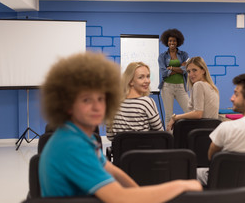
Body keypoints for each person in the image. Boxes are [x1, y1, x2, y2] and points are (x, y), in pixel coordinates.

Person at [39, 52, 202, 202]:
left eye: (101, 99)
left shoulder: (80, 136)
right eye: (86, 100)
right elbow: (121, 198)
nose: (97, 107)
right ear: (66, 104)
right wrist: (182, 185)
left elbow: (114, 171)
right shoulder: (72, 146)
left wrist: (138, 190)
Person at [106, 62, 163, 141]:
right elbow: (160, 133)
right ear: (131, 81)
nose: (147, 81)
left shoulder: (113, 103)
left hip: (121, 153)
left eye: (148, 76)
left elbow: (110, 137)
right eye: (141, 77)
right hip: (144, 152)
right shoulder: (147, 102)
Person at [166, 56, 219, 131]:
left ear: (203, 70)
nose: (191, 74)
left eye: (194, 70)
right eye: (188, 71)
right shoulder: (212, 88)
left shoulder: (198, 85)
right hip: (209, 134)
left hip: (199, 134)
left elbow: (198, 114)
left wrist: (175, 117)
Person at [158, 28, 190, 124]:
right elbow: (164, 73)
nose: (172, 43)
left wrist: (171, 67)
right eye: (170, 41)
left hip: (181, 86)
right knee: (168, 115)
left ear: (178, 42)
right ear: (167, 42)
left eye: (174, 41)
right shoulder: (162, 56)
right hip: (167, 87)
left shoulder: (184, 54)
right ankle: (169, 137)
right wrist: (179, 68)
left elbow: (186, 70)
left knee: (189, 111)